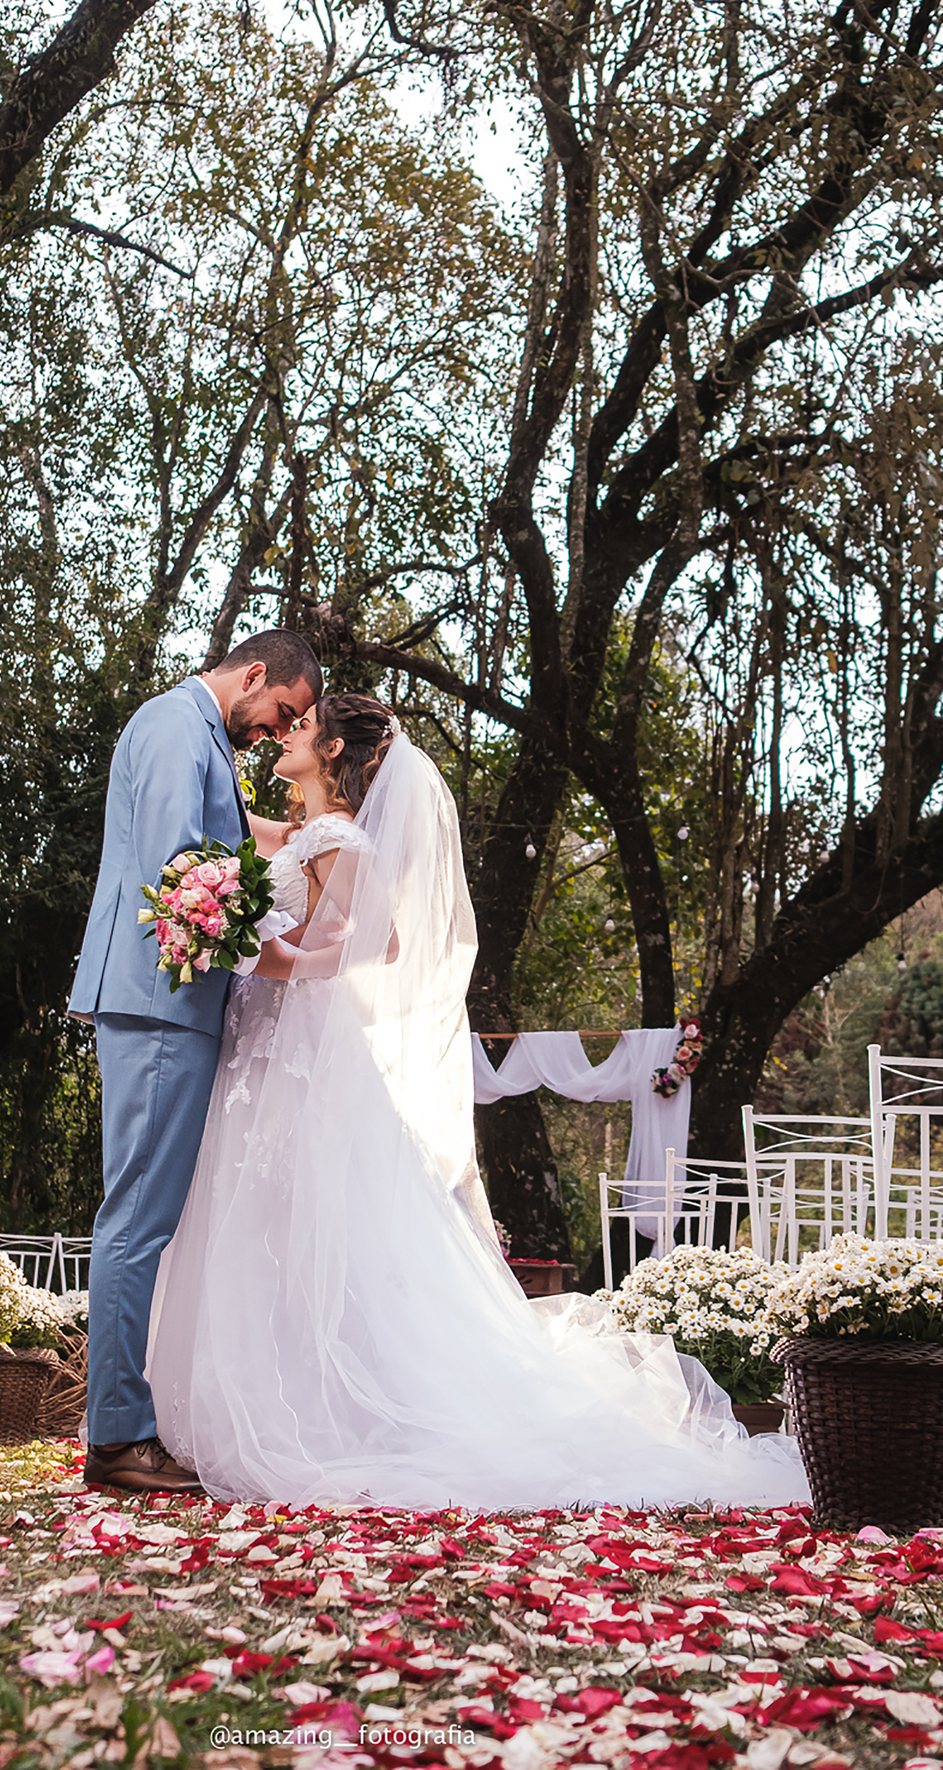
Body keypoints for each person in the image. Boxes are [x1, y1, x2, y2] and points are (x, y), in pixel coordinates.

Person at [147, 693, 811, 1509]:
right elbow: (244, 836)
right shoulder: (306, 831)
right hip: (267, 1054)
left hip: (296, 1057)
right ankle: (275, 1388)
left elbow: (368, 941)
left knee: (305, 1220)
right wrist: (208, 893)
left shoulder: (340, 834)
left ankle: (326, 1404)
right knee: (268, 1221)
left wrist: (257, 954)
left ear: (334, 753)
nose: (286, 734)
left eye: (302, 727)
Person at [69, 630, 323, 1495]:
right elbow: (185, 873)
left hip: (175, 1003)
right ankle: (117, 1437)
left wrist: (308, 831)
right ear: (254, 674)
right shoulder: (179, 727)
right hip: (157, 1001)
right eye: (280, 711)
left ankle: (122, 1426)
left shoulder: (199, 733)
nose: (274, 730)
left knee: (147, 1216)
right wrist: (284, 952)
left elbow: (223, 833)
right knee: (136, 1218)